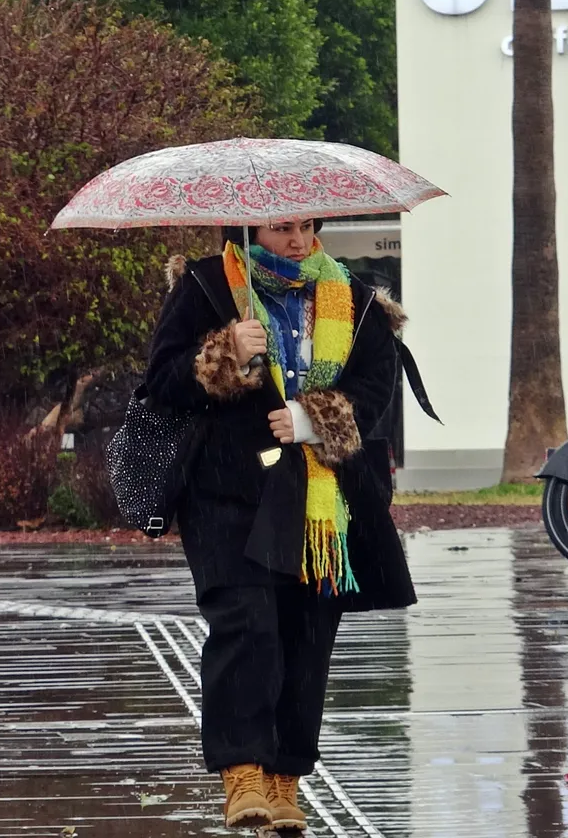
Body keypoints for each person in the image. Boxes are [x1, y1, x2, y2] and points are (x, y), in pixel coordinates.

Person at [145, 217, 415, 832]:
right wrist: (223, 354)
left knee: (306, 636)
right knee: (246, 624)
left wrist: (312, 418)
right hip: (223, 491)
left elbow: (377, 384)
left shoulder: (354, 297)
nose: (296, 239)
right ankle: (241, 773)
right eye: (280, 228)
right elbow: (160, 381)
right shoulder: (206, 285)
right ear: (248, 227)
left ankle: (285, 781)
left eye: (306, 226)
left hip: (319, 495)